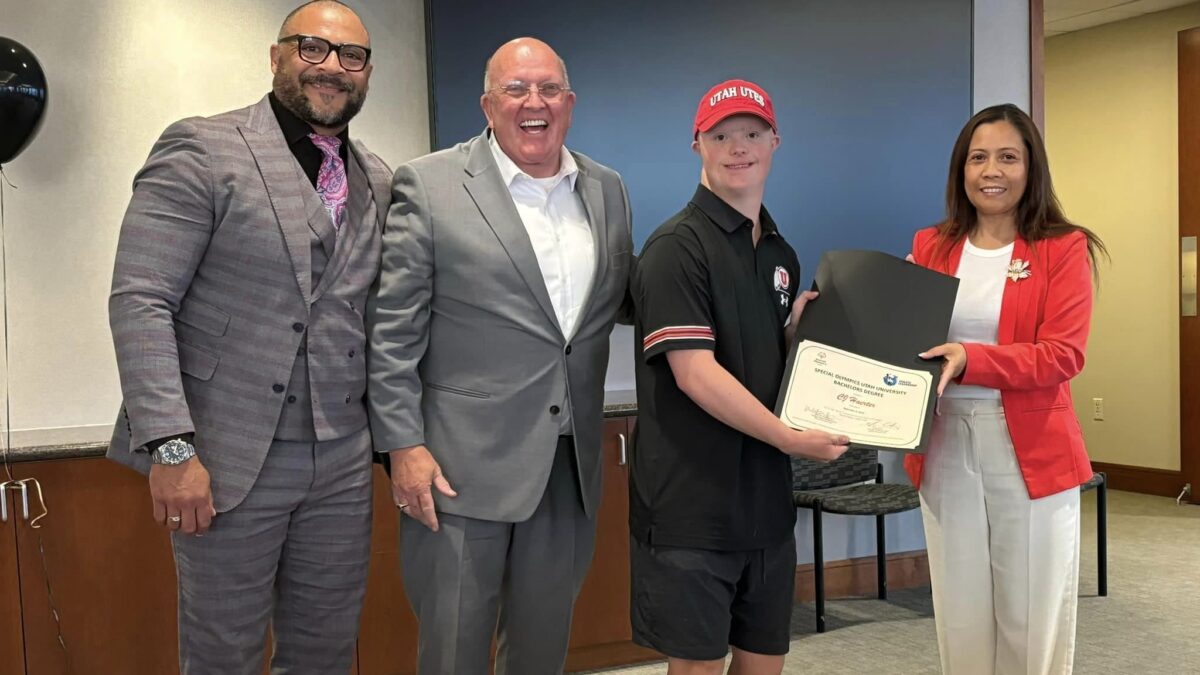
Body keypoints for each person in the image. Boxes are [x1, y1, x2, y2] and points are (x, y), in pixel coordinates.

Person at [106, 2, 391, 672]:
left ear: (366, 73)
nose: (332, 67)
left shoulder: (377, 179)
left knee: (325, 653)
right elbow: (141, 299)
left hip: (343, 462)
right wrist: (172, 448)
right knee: (222, 656)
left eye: (351, 56)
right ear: (276, 56)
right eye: (313, 48)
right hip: (226, 456)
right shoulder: (203, 149)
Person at [365, 37, 634, 674]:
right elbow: (392, 331)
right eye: (516, 90)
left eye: (547, 90)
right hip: (457, 473)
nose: (533, 103)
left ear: (568, 104)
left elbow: (622, 299)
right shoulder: (429, 183)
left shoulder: (606, 188)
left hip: (568, 470)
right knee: (454, 654)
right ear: (488, 104)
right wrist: (402, 446)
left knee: (541, 655)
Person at [629, 79, 849, 675]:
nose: (738, 147)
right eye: (721, 135)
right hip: (693, 509)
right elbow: (696, 373)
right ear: (697, 144)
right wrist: (792, 439)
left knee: (763, 662)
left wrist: (794, 331)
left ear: (775, 140)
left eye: (752, 133)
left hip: (765, 505)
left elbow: (754, 359)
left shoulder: (779, 253)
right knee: (697, 666)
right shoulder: (676, 248)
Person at [906, 103, 1106, 675]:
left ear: (1031, 167)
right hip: (945, 444)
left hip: (1031, 447)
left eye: (1008, 157)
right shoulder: (931, 246)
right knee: (961, 614)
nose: (991, 170)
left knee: (1030, 615)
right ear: (961, 170)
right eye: (978, 158)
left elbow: (1062, 355)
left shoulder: (1062, 247)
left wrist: (973, 359)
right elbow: (904, 338)